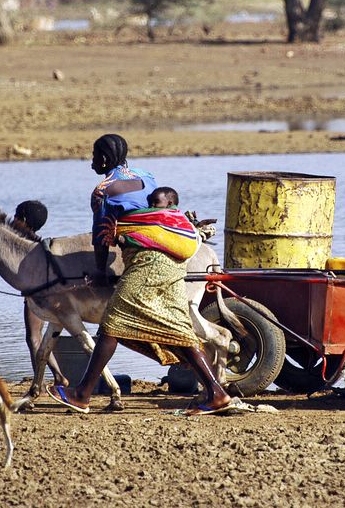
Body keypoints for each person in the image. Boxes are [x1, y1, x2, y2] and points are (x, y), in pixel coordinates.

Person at [47, 134, 231, 415]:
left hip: (147, 262)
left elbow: (101, 237)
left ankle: (81, 394)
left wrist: (99, 272)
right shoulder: (147, 176)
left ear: (105, 158)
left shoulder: (102, 191)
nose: (92, 162)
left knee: (113, 322)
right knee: (179, 328)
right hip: (173, 259)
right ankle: (217, 393)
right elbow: (158, 215)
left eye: (94, 156)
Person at [13, 200, 69, 391]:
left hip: (37, 294)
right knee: (40, 337)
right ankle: (55, 377)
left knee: (33, 338)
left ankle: (47, 380)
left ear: (23, 219)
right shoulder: (38, 244)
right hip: (47, 292)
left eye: (16, 216)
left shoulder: (25, 246)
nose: (13, 219)